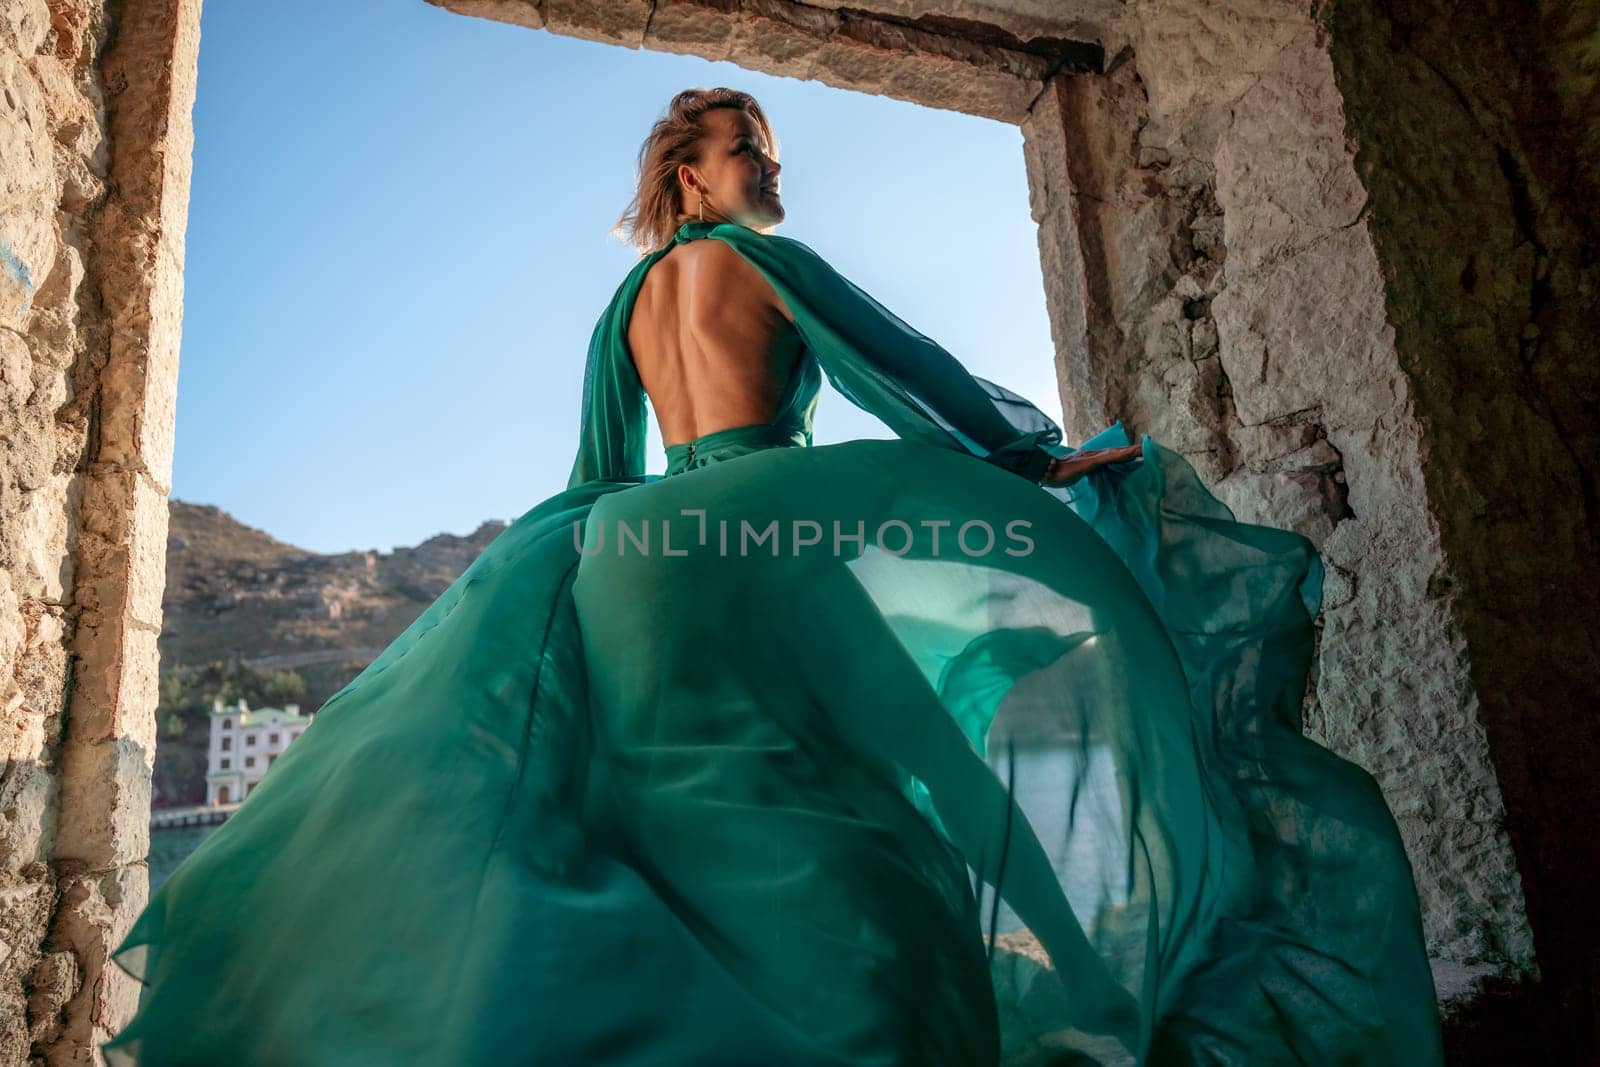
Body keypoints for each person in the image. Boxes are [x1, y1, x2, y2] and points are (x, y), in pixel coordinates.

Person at [103, 88, 1442, 1065]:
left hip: (634, 552)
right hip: (776, 534)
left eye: (771, 156)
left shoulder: (619, 310)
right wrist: (1029, 460)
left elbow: (591, 465)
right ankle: (1072, 983)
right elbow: (897, 370)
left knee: (687, 816)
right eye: (749, 151)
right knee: (924, 767)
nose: (769, 173)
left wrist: (575, 573)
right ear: (688, 178)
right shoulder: (756, 260)